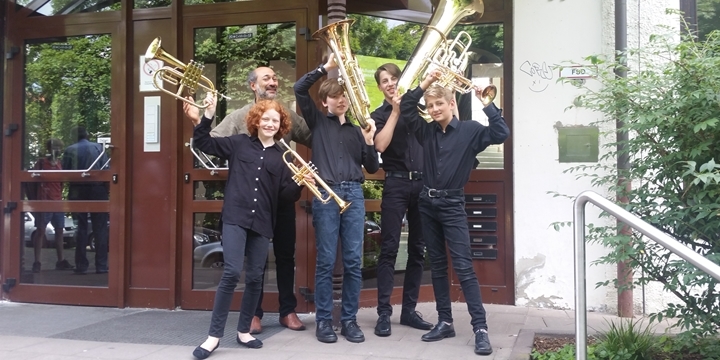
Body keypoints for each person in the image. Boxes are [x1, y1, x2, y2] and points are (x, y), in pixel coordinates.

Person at [184, 94, 308, 359]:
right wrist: (207, 115)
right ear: (256, 120)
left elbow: (286, 197)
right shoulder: (239, 143)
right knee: (231, 273)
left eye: (275, 120)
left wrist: (299, 181)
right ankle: (213, 337)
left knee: (254, 277)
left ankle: (243, 332)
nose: (270, 124)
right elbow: (204, 142)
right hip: (235, 218)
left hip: (263, 222)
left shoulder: (283, 156)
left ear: (282, 124)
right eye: (266, 119)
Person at [400, 70, 509, 356]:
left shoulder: (471, 130)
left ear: (451, 104)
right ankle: (445, 321)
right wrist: (425, 82)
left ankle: (480, 329)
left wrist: (486, 102)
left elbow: (501, 132)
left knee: (463, 267)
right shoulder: (426, 131)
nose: (435, 109)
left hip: (452, 204)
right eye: (431, 105)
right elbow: (407, 106)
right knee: (436, 265)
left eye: (440, 104)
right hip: (427, 202)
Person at [210, 66, 312, 333]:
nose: (273, 82)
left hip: (283, 195)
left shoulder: (286, 114)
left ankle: (287, 311)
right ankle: (253, 314)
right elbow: (214, 141)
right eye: (267, 78)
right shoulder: (240, 116)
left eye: (275, 78)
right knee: (257, 260)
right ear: (252, 85)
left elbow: (313, 138)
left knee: (285, 255)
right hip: (252, 201)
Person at [294, 54, 379, 344]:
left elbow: (372, 167)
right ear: (325, 102)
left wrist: (369, 141)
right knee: (327, 261)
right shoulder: (317, 121)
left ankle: (349, 321)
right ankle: (323, 322)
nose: (340, 100)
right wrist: (325, 69)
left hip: (354, 193)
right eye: (334, 96)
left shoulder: (357, 130)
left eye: (343, 95)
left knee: (354, 261)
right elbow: (298, 89)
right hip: (327, 194)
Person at [370, 63, 432, 336]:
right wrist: (396, 110)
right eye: (385, 80)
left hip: (422, 183)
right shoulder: (377, 115)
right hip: (395, 182)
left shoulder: (419, 109)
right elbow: (380, 145)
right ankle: (384, 313)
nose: (391, 83)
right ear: (379, 87)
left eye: (394, 78)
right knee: (390, 249)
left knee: (417, 250)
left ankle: (409, 311)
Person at [62, 126, 110, 275]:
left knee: (81, 227)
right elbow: (107, 170)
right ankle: (101, 265)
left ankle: (81, 265)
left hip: (77, 190)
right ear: (87, 134)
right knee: (100, 228)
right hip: (98, 189)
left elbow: (64, 173)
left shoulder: (70, 150)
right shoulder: (98, 148)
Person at [30, 138, 73, 273]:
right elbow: (31, 180)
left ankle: (60, 260)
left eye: (59, 148)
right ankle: (37, 262)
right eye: (55, 147)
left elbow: (61, 182)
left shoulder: (60, 163)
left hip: (57, 201)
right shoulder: (42, 163)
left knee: (60, 230)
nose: (58, 151)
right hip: (44, 201)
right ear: (49, 149)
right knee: (41, 231)